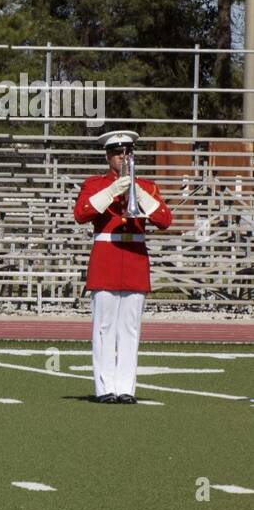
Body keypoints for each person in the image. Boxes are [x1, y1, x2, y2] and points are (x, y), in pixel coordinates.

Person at [73, 130, 172, 404]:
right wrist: (113, 190)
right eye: (117, 153)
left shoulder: (147, 186)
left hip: (135, 259)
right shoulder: (94, 184)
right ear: (108, 156)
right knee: (104, 328)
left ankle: (126, 387)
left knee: (130, 328)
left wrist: (137, 193)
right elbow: (80, 214)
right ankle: (105, 387)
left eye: (127, 152)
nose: (122, 157)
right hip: (106, 256)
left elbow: (165, 220)